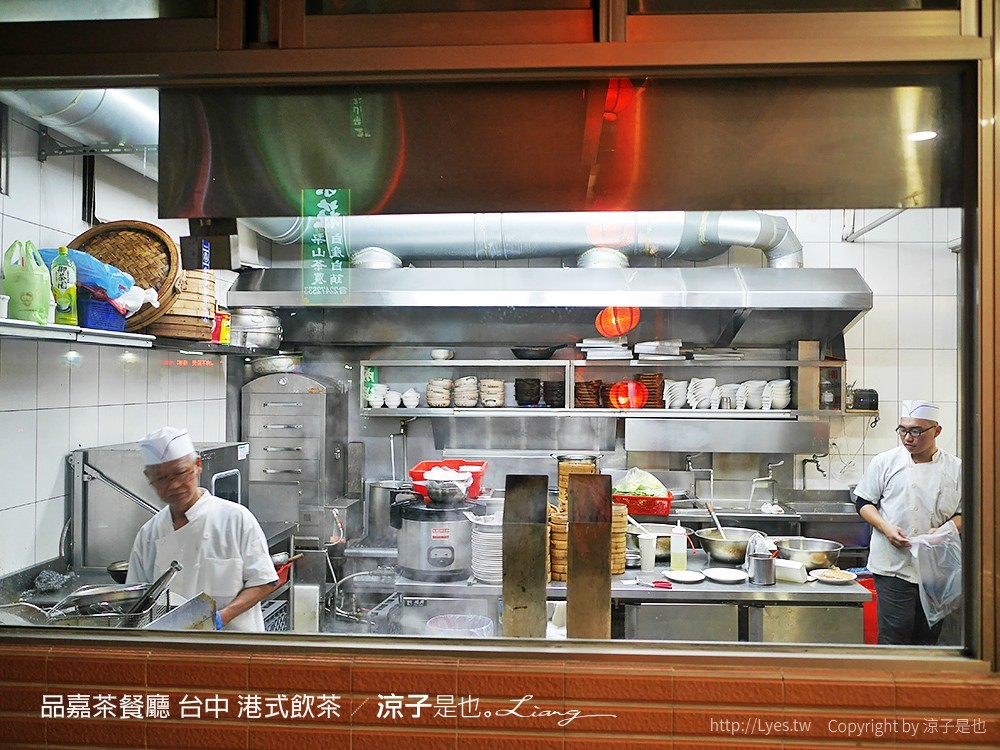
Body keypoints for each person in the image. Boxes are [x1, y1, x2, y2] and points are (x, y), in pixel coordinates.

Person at [126, 426, 277, 631]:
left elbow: (264, 581)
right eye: (161, 479)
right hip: (171, 649)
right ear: (149, 478)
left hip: (234, 646)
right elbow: (136, 600)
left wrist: (220, 618)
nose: (174, 486)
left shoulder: (236, 519)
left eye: (180, 473)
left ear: (197, 465)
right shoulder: (149, 534)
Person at [853, 400, 962, 645]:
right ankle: (887, 684)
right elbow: (863, 503)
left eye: (916, 431)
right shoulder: (885, 462)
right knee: (894, 636)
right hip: (893, 566)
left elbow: (964, 514)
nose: (907, 437)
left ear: (937, 430)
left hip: (935, 570)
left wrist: (945, 530)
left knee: (927, 638)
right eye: (903, 430)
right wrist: (886, 527)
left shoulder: (956, 468)